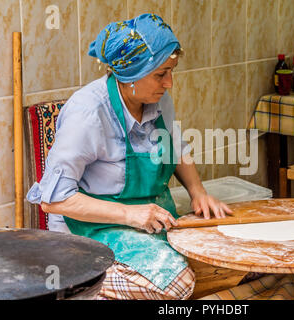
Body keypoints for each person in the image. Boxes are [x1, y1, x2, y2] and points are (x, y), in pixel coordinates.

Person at [26, 13, 233, 300]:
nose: (170, 83)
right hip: (89, 231)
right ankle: (76, 285)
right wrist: (130, 214)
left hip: (146, 222)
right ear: (130, 75)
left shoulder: (157, 99)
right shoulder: (88, 114)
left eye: (172, 70)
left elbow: (175, 146)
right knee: (177, 283)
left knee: (225, 255)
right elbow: (54, 199)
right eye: (161, 74)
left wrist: (198, 191)